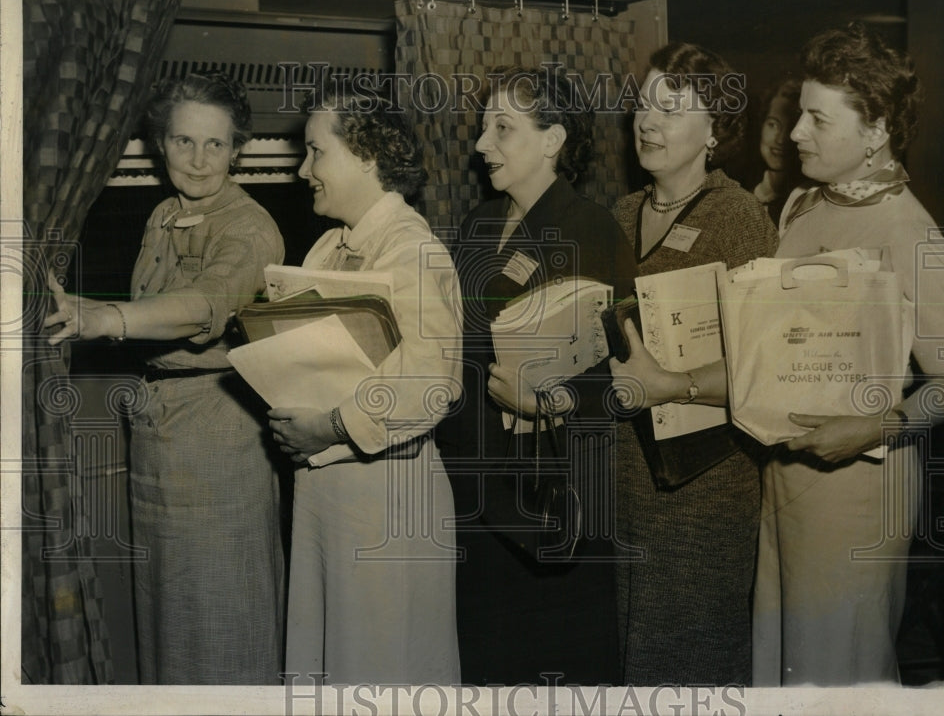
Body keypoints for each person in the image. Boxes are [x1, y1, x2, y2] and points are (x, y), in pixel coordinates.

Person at [611, 23, 944, 685]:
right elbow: (766, 352)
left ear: (876, 130)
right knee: (779, 668)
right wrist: (677, 382)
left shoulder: (910, 232)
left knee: (838, 672)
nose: (795, 132)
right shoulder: (804, 204)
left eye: (816, 117)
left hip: (857, 487)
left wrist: (881, 424)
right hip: (783, 480)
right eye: (799, 112)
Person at [44, 72, 286, 684]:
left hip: (219, 435)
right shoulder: (162, 214)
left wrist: (105, 319)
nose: (199, 160)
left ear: (238, 150)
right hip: (159, 432)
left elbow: (204, 303)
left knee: (223, 621)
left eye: (215, 145)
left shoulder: (249, 227)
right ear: (160, 145)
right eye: (183, 142)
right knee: (167, 619)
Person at [438, 66, 637, 686]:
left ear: (552, 140)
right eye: (482, 128)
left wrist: (546, 398)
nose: (480, 145)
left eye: (503, 129)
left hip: (554, 497)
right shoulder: (476, 224)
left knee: (556, 672)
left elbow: (627, 379)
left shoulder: (592, 230)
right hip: (475, 493)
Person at [267, 95, 463, 683]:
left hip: (389, 496)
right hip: (328, 492)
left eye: (315, 152)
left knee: (387, 666)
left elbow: (432, 383)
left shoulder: (413, 250)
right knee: (332, 664)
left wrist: (326, 427)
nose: (304, 170)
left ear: (367, 155)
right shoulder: (331, 246)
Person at [610, 43, 778, 686]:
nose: (647, 122)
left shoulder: (740, 220)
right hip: (625, 483)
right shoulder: (620, 214)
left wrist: (669, 385)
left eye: (671, 109)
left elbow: (765, 369)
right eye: (643, 105)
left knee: (689, 669)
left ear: (715, 130)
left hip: (703, 490)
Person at [748, 77, 807, 225]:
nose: (780, 140)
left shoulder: (807, 200)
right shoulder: (737, 187)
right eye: (773, 125)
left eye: (792, 127)